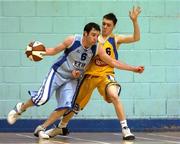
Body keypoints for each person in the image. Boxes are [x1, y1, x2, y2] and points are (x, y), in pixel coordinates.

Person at [7, 22, 143, 139]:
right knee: (41, 99)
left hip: (72, 79)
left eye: (97, 35)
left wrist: (133, 69)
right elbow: (54, 50)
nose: (96, 38)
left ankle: (41, 128)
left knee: (66, 106)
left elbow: (113, 62)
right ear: (85, 34)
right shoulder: (72, 40)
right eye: (93, 35)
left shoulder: (97, 49)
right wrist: (39, 52)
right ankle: (20, 108)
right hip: (58, 73)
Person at [45, 6, 143, 140]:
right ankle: (61, 126)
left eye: (108, 25)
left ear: (113, 27)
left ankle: (125, 129)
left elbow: (136, 38)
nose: (105, 27)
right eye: (103, 23)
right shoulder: (93, 39)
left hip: (105, 75)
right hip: (89, 76)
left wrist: (135, 21)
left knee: (114, 95)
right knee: (74, 106)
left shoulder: (115, 39)